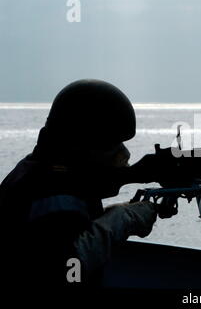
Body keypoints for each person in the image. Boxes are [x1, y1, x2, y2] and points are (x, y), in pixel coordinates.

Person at [0, 79, 168, 287]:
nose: (124, 154)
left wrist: (118, 213)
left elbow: (67, 232)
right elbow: (68, 272)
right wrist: (121, 220)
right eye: (112, 145)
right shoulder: (51, 195)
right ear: (81, 145)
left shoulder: (39, 173)